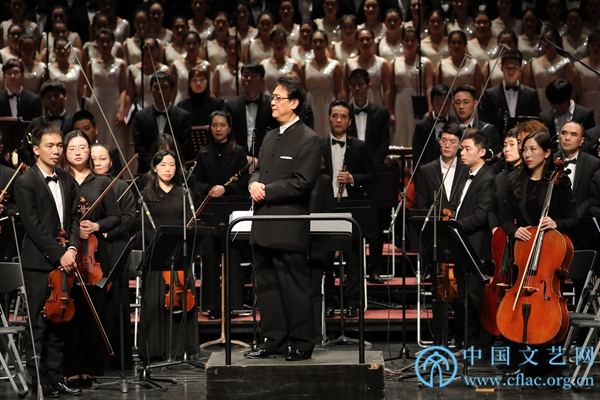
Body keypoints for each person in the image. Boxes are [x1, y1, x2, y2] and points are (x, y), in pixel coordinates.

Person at [244, 77, 321, 361]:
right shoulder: (268, 136)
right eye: (272, 98)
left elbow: (303, 182)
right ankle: (273, 340)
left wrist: (266, 190)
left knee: (295, 287)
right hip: (262, 223)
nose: (273, 103)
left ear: (294, 103)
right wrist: (253, 182)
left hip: (288, 225)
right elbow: (258, 169)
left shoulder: (309, 139)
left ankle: (302, 342)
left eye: (278, 98)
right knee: (267, 287)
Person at [499, 129, 578, 376]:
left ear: (546, 153)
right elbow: (504, 216)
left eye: (533, 149)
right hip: (523, 254)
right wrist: (515, 231)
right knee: (518, 306)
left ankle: (548, 366)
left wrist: (556, 223)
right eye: (524, 149)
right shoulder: (514, 180)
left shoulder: (559, 182)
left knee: (547, 311)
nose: (527, 154)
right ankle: (520, 361)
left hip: (549, 257)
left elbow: (574, 218)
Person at [14, 124, 81, 398]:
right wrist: (59, 253)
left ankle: (56, 377)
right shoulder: (25, 182)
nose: (56, 151)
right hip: (38, 264)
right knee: (38, 324)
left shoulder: (66, 179)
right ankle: (37, 381)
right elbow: (33, 226)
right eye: (50, 146)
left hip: (65, 260)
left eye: (59, 146)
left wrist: (73, 248)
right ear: (36, 149)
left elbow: (74, 217)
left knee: (59, 322)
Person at [59, 130, 121, 387]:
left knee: (92, 314)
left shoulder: (102, 182)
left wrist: (96, 226)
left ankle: (88, 367)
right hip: (66, 253)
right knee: (69, 313)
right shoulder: (60, 179)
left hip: (94, 256)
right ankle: (69, 368)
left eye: (82, 148)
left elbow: (115, 217)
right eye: (72, 148)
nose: (77, 152)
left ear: (90, 152)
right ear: (65, 151)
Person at [139, 149, 201, 361]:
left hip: (180, 254)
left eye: (172, 165)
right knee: (156, 302)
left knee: (183, 300)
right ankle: (156, 351)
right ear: (155, 168)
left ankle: (182, 349)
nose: (168, 169)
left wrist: (180, 246)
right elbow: (145, 226)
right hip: (157, 255)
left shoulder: (183, 192)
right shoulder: (146, 194)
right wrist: (160, 246)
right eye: (163, 165)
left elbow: (190, 222)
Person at [320, 99, 377, 316]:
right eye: (335, 116)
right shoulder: (318, 145)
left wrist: (353, 179)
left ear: (349, 121)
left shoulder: (359, 146)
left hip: (351, 206)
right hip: (326, 206)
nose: (338, 120)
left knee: (353, 258)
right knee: (326, 257)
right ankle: (329, 302)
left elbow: (372, 175)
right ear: (328, 118)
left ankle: (353, 302)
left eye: (343, 116)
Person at [193, 110, 249, 319]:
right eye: (215, 125)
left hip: (231, 208)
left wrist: (226, 189)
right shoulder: (203, 153)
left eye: (222, 125)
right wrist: (210, 189)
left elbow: (245, 181)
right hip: (210, 210)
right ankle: (212, 306)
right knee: (210, 258)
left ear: (229, 128)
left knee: (232, 257)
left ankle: (233, 304)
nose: (218, 129)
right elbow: (196, 180)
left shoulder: (238, 152)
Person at [449, 128, 496, 352]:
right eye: (462, 149)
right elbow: (455, 205)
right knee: (464, 298)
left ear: (482, 152)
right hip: (462, 245)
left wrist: (455, 225)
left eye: (467, 149)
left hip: (477, 247)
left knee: (476, 298)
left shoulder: (487, 178)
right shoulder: (464, 175)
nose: (462, 153)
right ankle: (467, 343)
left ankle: (482, 346)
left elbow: (481, 215)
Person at [90, 142, 136, 370]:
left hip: (115, 248)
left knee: (115, 303)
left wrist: (107, 231)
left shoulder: (120, 186)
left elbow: (128, 217)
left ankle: (117, 359)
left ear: (111, 162)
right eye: (94, 159)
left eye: (103, 159)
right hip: (90, 252)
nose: (98, 163)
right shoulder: (83, 185)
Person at [133, 71, 193, 174]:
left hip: (174, 172)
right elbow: (139, 148)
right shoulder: (140, 116)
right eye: (156, 87)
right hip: (147, 172)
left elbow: (184, 147)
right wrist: (153, 168)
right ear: (151, 89)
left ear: (172, 90)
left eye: (164, 87)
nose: (160, 91)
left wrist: (171, 167)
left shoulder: (183, 116)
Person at [388, 26, 434, 147]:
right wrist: (390, 112)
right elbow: (390, 89)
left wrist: (430, 109)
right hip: (400, 102)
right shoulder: (394, 62)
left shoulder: (426, 62)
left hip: (420, 101)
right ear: (402, 42)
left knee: (418, 132)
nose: (409, 43)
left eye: (413, 40)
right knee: (401, 130)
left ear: (418, 42)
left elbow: (429, 87)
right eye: (406, 40)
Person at [479, 50, 541, 135]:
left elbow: (536, 122)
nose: (511, 72)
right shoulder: (490, 95)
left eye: (514, 68)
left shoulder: (531, 94)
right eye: (507, 68)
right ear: (502, 68)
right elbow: (485, 122)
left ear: (520, 69)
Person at [224, 62, 277, 161]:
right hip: (237, 160)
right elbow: (229, 136)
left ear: (262, 81)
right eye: (245, 75)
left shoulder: (272, 105)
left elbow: (276, 134)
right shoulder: (231, 105)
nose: (249, 79)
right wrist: (243, 157)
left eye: (254, 76)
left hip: (266, 159)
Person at [301, 30, 344, 138]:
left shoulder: (335, 65)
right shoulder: (304, 66)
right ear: (311, 44)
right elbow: (302, 91)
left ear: (327, 43)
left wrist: (340, 110)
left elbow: (339, 90)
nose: (318, 44)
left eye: (321, 41)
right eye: (315, 41)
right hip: (311, 106)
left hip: (329, 105)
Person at [416, 123, 467, 210]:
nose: (447, 145)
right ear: (438, 140)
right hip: (434, 218)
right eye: (444, 140)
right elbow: (421, 205)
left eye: (452, 142)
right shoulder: (426, 170)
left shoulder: (467, 169)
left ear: (460, 144)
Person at [554, 121, 600, 218]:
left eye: (573, 134)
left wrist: (575, 216)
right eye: (564, 133)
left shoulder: (593, 163)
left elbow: (592, 197)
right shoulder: (550, 161)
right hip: (553, 219)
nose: (567, 138)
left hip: (581, 220)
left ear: (581, 141)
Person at [347, 68, 390, 166]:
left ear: (368, 86)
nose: (357, 88)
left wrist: (371, 165)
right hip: (350, 167)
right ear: (350, 87)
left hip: (374, 168)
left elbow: (384, 143)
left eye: (361, 84)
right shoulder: (345, 113)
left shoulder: (381, 112)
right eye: (353, 85)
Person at [526, 27, 574, 111]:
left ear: (557, 41)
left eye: (550, 40)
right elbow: (532, 88)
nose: (547, 43)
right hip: (539, 100)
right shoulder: (534, 62)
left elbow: (568, 90)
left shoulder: (565, 63)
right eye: (544, 40)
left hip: (558, 102)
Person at [412, 84, 458, 170]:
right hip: (427, 172)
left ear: (451, 103)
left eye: (445, 103)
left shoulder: (457, 124)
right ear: (431, 102)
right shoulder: (421, 126)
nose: (442, 107)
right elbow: (417, 157)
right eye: (438, 103)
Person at [345, 28, 391, 109]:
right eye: (361, 40)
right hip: (355, 105)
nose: (365, 42)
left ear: (373, 41)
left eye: (368, 39)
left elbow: (387, 89)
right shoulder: (349, 63)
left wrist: (389, 110)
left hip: (376, 104)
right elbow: (345, 90)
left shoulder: (382, 63)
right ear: (356, 42)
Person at [452, 85, 502, 155]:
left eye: (466, 102)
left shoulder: (488, 130)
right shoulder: (448, 130)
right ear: (453, 105)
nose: (461, 106)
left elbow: (496, 159)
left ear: (475, 103)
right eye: (457, 103)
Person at [125, 37, 169, 111]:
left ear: (157, 50)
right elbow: (130, 94)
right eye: (146, 48)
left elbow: (169, 94)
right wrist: (125, 114)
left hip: (160, 109)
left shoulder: (165, 70)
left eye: (152, 48)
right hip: (139, 109)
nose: (149, 51)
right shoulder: (132, 69)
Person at [436, 30, 483, 98]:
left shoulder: (474, 64)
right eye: (453, 43)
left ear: (465, 44)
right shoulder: (441, 64)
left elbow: (478, 91)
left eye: (460, 43)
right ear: (449, 44)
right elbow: (437, 89)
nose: (456, 46)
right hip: (448, 102)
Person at [170, 31, 211, 105]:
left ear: (199, 44)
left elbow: (208, 89)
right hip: (180, 102)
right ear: (183, 44)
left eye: (194, 43)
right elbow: (173, 89)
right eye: (188, 43)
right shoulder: (175, 65)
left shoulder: (206, 65)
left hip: (201, 102)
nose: (191, 46)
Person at [49, 36, 84, 115]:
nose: (62, 51)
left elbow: (80, 94)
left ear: (70, 50)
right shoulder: (48, 69)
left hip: (74, 108)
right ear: (53, 50)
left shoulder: (78, 69)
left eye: (65, 48)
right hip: (55, 109)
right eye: (59, 48)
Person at [261, 30, 300, 96]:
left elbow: (297, 87)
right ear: (271, 43)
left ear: (286, 43)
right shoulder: (263, 64)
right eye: (275, 42)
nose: (279, 45)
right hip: (268, 99)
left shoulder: (293, 64)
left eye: (281, 42)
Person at [576, 31, 600, 125]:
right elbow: (573, 92)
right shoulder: (578, 65)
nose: (596, 48)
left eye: (599, 45)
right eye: (593, 45)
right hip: (586, 102)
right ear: (588, 46)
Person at [213, 36, 242, 101]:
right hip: (224, 105)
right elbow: (215, 94)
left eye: (235, 48)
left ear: (240, 49)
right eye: (229, 48)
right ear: (225, 49)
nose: (232, 51)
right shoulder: (219, 70)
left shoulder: (245, 69)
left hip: (240, 104)